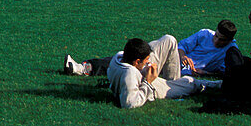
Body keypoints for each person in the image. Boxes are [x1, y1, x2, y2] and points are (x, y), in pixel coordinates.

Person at [64, 36, 202, 108]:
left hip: (136, 71)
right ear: (136, 62)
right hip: (149, 86)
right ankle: (218, 84)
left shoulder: (120, 56)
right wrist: (148, 82)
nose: (149, 61)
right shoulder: (130, 74)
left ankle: (172, 82)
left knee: (169, 40)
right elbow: (128, 104)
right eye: (146, 60)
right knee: (190, 83)